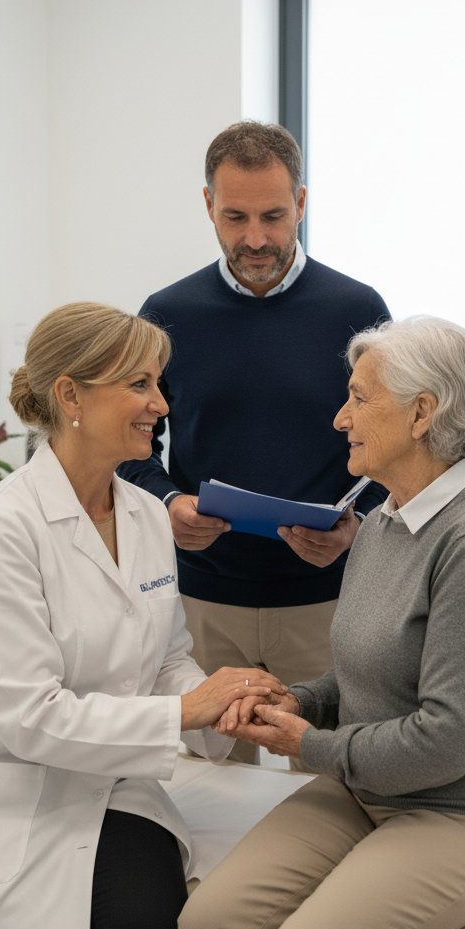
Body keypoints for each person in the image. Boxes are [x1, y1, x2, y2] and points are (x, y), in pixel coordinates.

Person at [0, 302, 285, 929]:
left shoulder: (144, 515)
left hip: (112, 788)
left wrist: (222, 703)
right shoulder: (0, 528)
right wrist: (186, 714)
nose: (161, 405)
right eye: (139, 384)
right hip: (2, 799)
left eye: (159, 383)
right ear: (71, 397)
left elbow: (168, 656)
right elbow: (30, 719)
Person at [179, 315, 465, 929]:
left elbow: (445, 740)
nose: (339, 417)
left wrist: (306, 743)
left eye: (359, 398)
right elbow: (362, 677)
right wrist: (299, 699)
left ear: (422, 413)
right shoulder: (384, 519)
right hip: (369, 790)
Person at [119, 121, 390, 763]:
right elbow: (132, 445)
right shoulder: (165, 313)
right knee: (206, 787)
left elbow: (397, 447)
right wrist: (166, 504)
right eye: (235, 216)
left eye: (273, 215)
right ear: (208, 204)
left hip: (328, 602)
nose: (255, 238)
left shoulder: (357, 307)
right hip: (202, 603)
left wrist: (356, 529)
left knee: (329, 789)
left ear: (301, 201)